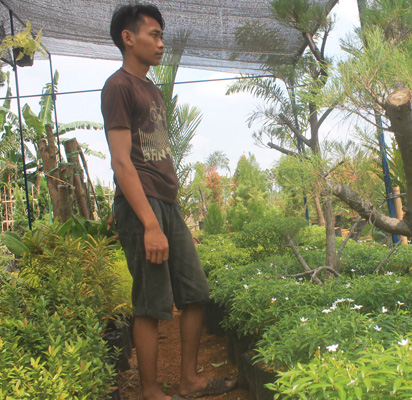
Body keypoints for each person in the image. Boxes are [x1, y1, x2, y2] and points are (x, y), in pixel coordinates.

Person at [101, 4, 236, 400]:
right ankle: (150, 390)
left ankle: (189, 380)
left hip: (168, 204)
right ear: (129, 38)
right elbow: (122, 162)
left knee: (195, 292)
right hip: (141, 204)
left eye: (162, 36)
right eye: (154, 35)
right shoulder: (118, 86)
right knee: (150, 304)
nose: (162, 43)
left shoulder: (152, 89)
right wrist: (150, 224)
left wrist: (172, 220)